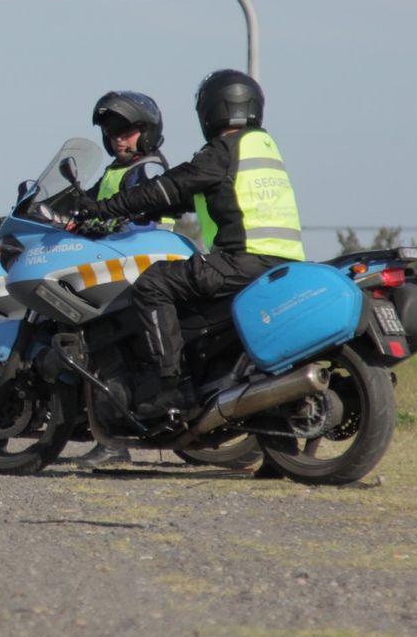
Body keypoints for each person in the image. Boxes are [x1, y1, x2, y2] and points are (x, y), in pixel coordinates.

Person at [72, 69, 305, 420]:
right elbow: (185, 199)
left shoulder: (222, 150)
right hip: (284, 264)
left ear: (210, 111)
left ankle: (170, 388)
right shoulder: (262, 147)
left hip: (241, 262)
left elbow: (168, 187)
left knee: (152, 284)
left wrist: (105, 208)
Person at [76, 91, 171, 466]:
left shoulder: (149, 170)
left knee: (103, 346)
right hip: (111, 269)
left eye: (127, 130)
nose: (118, 137)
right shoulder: (114, 172)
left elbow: (143, 217)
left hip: (137, 273)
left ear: (146, 132)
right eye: (112, 130)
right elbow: (92, 212)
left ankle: (113, 441)